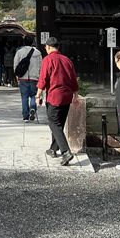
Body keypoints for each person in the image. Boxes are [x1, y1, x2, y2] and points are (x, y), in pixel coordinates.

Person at [36, 37, 78, 166]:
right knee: (59, 123)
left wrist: (38, 95)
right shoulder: (67, 60)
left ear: (48, 47)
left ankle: (66, 152)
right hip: (67, 96)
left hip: (54, 95)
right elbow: (73, 78)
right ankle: (54, 149)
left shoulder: (47, 60)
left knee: (54, 123)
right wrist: (75, 94)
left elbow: (43, 79)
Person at [14, 35, 42, 121]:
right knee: (33, 95)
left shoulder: (19, 52)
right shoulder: (38, 53)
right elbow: (41, 66)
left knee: (24, 97)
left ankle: (25, 116)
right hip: (35, 77)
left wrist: (17, 76)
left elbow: (15, 64)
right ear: (32, 42)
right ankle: (33, 108)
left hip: (23, 77)